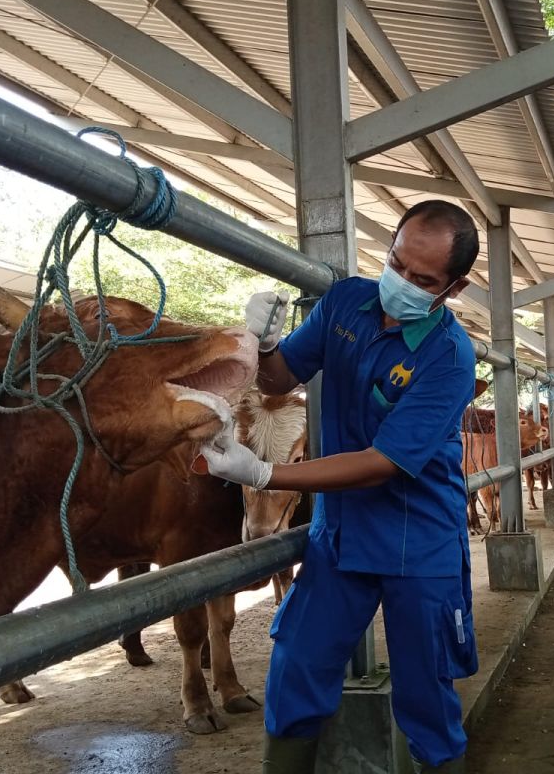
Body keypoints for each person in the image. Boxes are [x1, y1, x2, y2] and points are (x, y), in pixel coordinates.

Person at [194, 200, 480, 773]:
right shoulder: (347, 301)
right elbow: (282, 379)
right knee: (297, 666)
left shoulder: (450, 357)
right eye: (397, 264)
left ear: (453, 287)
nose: (401, 283)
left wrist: (266, 474)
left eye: (422, 280)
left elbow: (383, 463)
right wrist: (265, 345)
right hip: (341, 534)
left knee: (426, 695)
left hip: (417, 540)